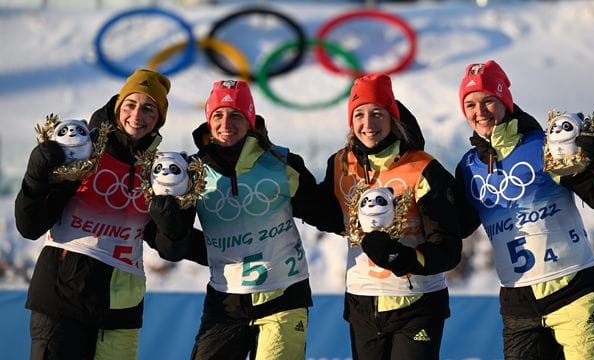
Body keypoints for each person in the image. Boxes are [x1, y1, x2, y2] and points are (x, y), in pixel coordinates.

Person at [453, 60, 594, 359]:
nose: (479, 112)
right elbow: (457, 227)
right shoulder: (468, 167)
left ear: (505, 101)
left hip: (574, 288)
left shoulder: (544, 146)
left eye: (488, 101)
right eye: (470, 104)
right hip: (518, 302)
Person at [146, 79, 326, 360]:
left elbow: (324, 214)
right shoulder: (193, 171)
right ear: (208, 121)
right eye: (218, 115)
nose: (226, 123)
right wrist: (166, 215)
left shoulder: (281, 163)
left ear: (250, 120)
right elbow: (173, 247)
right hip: (226, 302)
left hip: (284, 297)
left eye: (236, 115)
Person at [14, 68, 172, 359]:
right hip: (62, 304)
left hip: (120, 313)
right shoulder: (79, 150)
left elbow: (167, 244)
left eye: (149, 108)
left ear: (159, 119)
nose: (137, 115)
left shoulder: (158, 171)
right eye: (131, 105)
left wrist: (175, 218)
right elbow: (30, 225)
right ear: (117, 107)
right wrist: (36, 177)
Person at [315, 73, 462, 359]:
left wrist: (402, 258)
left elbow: (448, 249)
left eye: (377, 114)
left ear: (393, 118)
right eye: (359, 114)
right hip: (362, 302)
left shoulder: (423, 167)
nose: (367, 124)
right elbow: (330, 217)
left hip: (417, 303)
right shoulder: (341, 163)